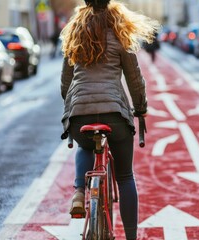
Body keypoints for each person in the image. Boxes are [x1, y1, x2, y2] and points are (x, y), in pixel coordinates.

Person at [59, 1, 159, 239]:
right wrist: (140, 108)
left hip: (79, 113)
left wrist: (72, 106)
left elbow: (65, 81)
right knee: (125, 176)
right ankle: (132, 236)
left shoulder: (75, 33)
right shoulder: (119, 33)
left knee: (84, 145)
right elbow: (134, 79)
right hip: (114, 113)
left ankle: (80, 191)